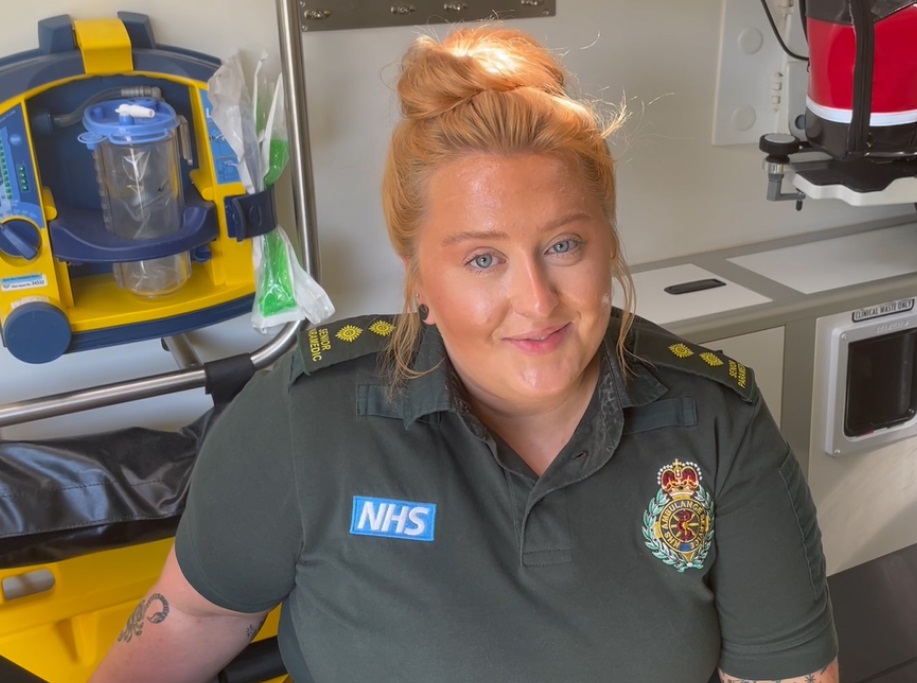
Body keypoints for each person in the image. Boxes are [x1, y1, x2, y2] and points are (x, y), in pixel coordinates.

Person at [89, 26, 839, 683]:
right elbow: (191, 617)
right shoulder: (307, 419)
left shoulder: (715, 423)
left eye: (563, 245)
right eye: (483, 259)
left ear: (607, 242)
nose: (537, 300)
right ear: (418, 279)